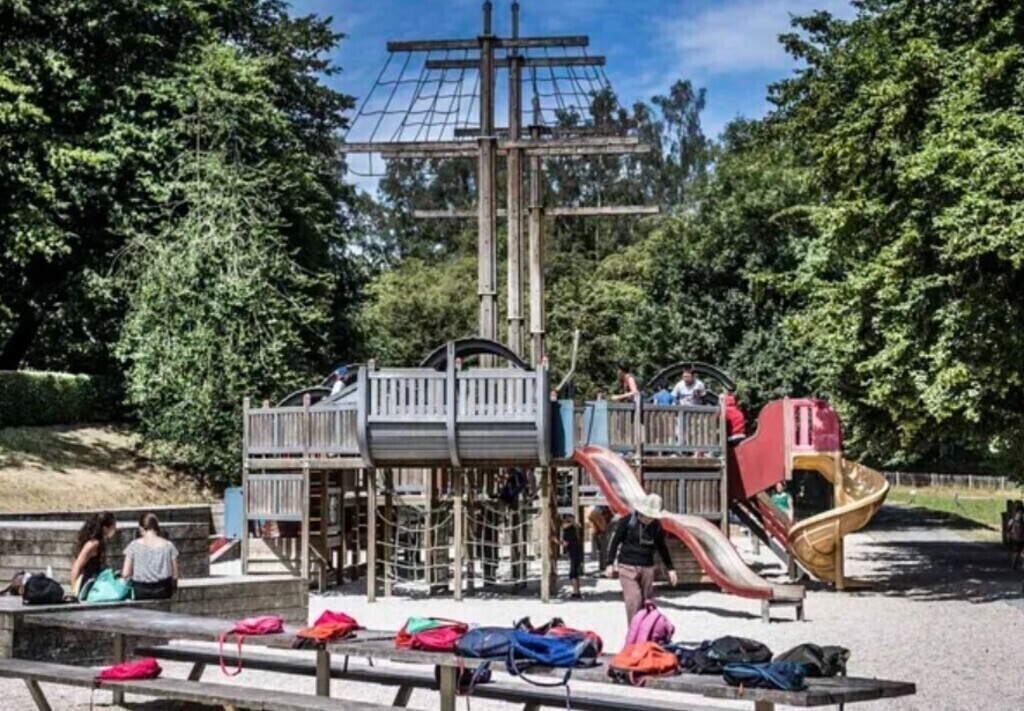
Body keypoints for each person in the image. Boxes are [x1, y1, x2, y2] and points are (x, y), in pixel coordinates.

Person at [605, 494, 677, 623]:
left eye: (652, 516)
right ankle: (634, 633)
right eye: (648, 515)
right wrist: (609, 563)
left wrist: (670, 568)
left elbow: (662, 547)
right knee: (634, 599)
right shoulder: (627, 521)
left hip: (647, 567)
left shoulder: (656, 526)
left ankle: (644, 631)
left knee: (646, 602)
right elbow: (615, 542)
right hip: (627, 565)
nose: (649, 518)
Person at [122, 513, 180, 600]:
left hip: (140, 590)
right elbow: (175, 574)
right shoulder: (169, 546)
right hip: (163, 589)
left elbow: (125, 573)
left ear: (141, 529)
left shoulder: (133, 546)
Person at [70, 512, 117, 598]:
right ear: (105, 528)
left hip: (96, 582)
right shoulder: (93, 544)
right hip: (89, 584)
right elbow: (77, 566)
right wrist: (74, 590)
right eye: (113, 527)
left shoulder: (99, 543)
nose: (115, 529)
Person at [558, 514, 584, 599]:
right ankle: (577, 591)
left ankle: (576, 592)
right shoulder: (575, 528)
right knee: (575, 572)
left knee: (572, 573)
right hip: (578, 552)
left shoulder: (568, 530)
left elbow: (565, 543)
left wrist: (556, 541)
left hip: (573, 552)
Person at [1007, 501, 1024, 570]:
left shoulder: (1022, 521)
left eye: (1021, 513)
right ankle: (1014, 565)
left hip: (1022, 538)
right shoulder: (1012, 521)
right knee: (1016, 553)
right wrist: (1009, 535)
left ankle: (1021, 565)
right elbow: (1008, 529)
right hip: (1015, 538)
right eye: (1019, 513)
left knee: (1022, 553)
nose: (1020, 515)